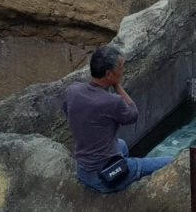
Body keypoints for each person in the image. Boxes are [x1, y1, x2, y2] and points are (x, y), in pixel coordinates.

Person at [63, 45, 173, 192]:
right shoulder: (112, 101)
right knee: (170, 161)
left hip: (83, 169)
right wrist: (118, 87)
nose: (123, 71)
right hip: (104, 177)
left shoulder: (73, 91)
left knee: (121, 144)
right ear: (109, 74)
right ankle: (128, 173)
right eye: (121, 67)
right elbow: (133, 115)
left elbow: (68, 111)